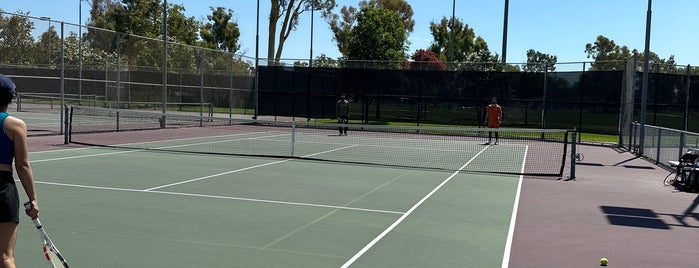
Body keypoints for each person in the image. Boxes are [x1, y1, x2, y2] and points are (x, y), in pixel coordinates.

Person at [0, 73, 39, 267]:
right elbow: (22, 165)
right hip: (2, 188)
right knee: (5, 256)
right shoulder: (15, 125)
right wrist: (33, 199)